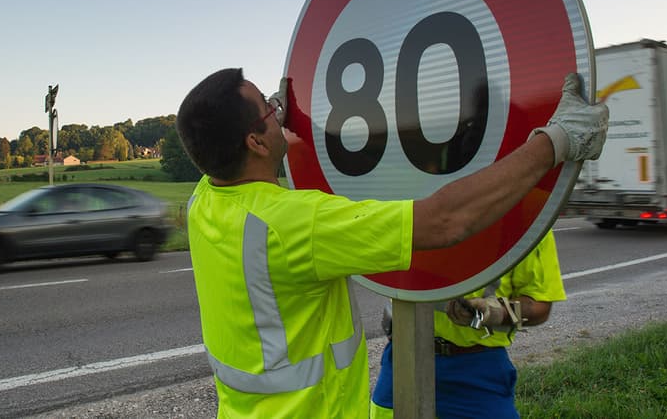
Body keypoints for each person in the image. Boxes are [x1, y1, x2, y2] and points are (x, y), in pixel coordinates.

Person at [175, 68, 606, 418]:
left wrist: (275, 115)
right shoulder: (300, 222)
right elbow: (445, 220)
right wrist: (558, 141)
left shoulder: (203, 200)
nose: (277, 110)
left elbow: (229, 143)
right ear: (253, 140)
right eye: (269, 110)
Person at [370, 231, 566, 419]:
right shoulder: (410, 203)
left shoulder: (529, 219)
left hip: (475, 366)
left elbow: (540, 306)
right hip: (404, 359)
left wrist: (495, 312)